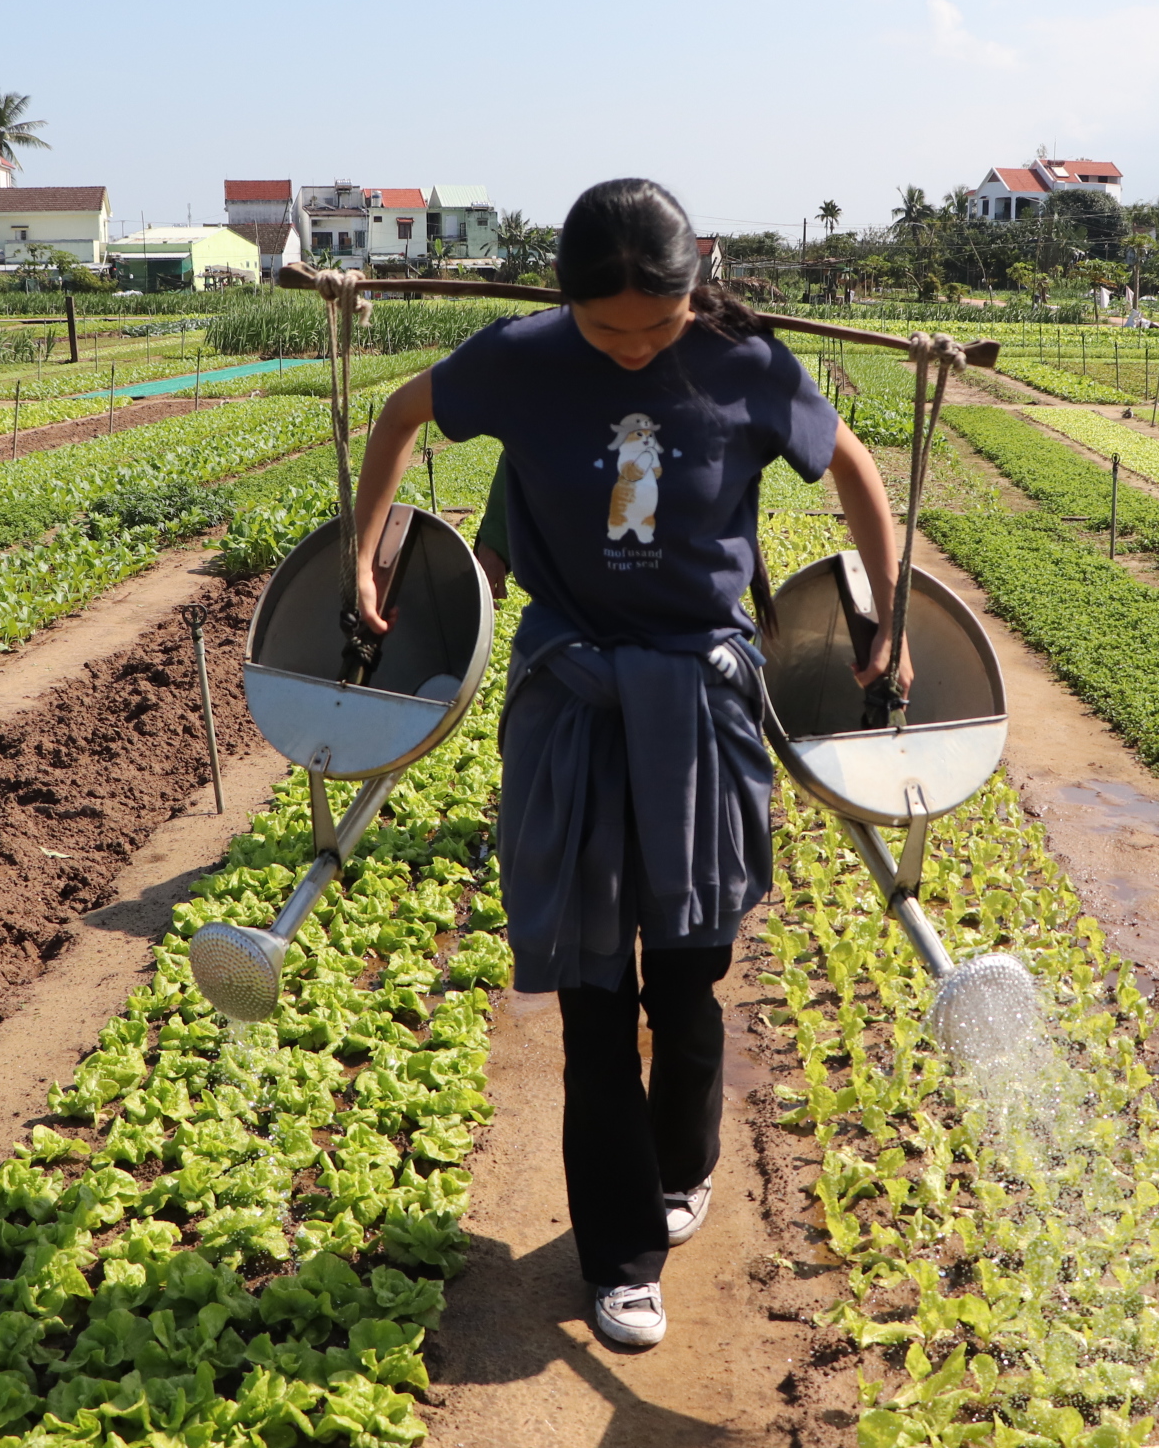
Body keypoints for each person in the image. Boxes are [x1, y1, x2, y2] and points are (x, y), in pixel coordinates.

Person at [347, 178, 909, 1351]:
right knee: (596, 989)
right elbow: (398, 417)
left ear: (694, 281)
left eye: (656, 325)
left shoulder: (744, 367)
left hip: (703, 701)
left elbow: (855, 468)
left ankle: (682, 1163)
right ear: (567, 306)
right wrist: (364, 555)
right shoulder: (523, 358)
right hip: (575, 702)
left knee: (691, 968)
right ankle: (619, 1255)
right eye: (608, 331)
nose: (635, 347)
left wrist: (890, 618)